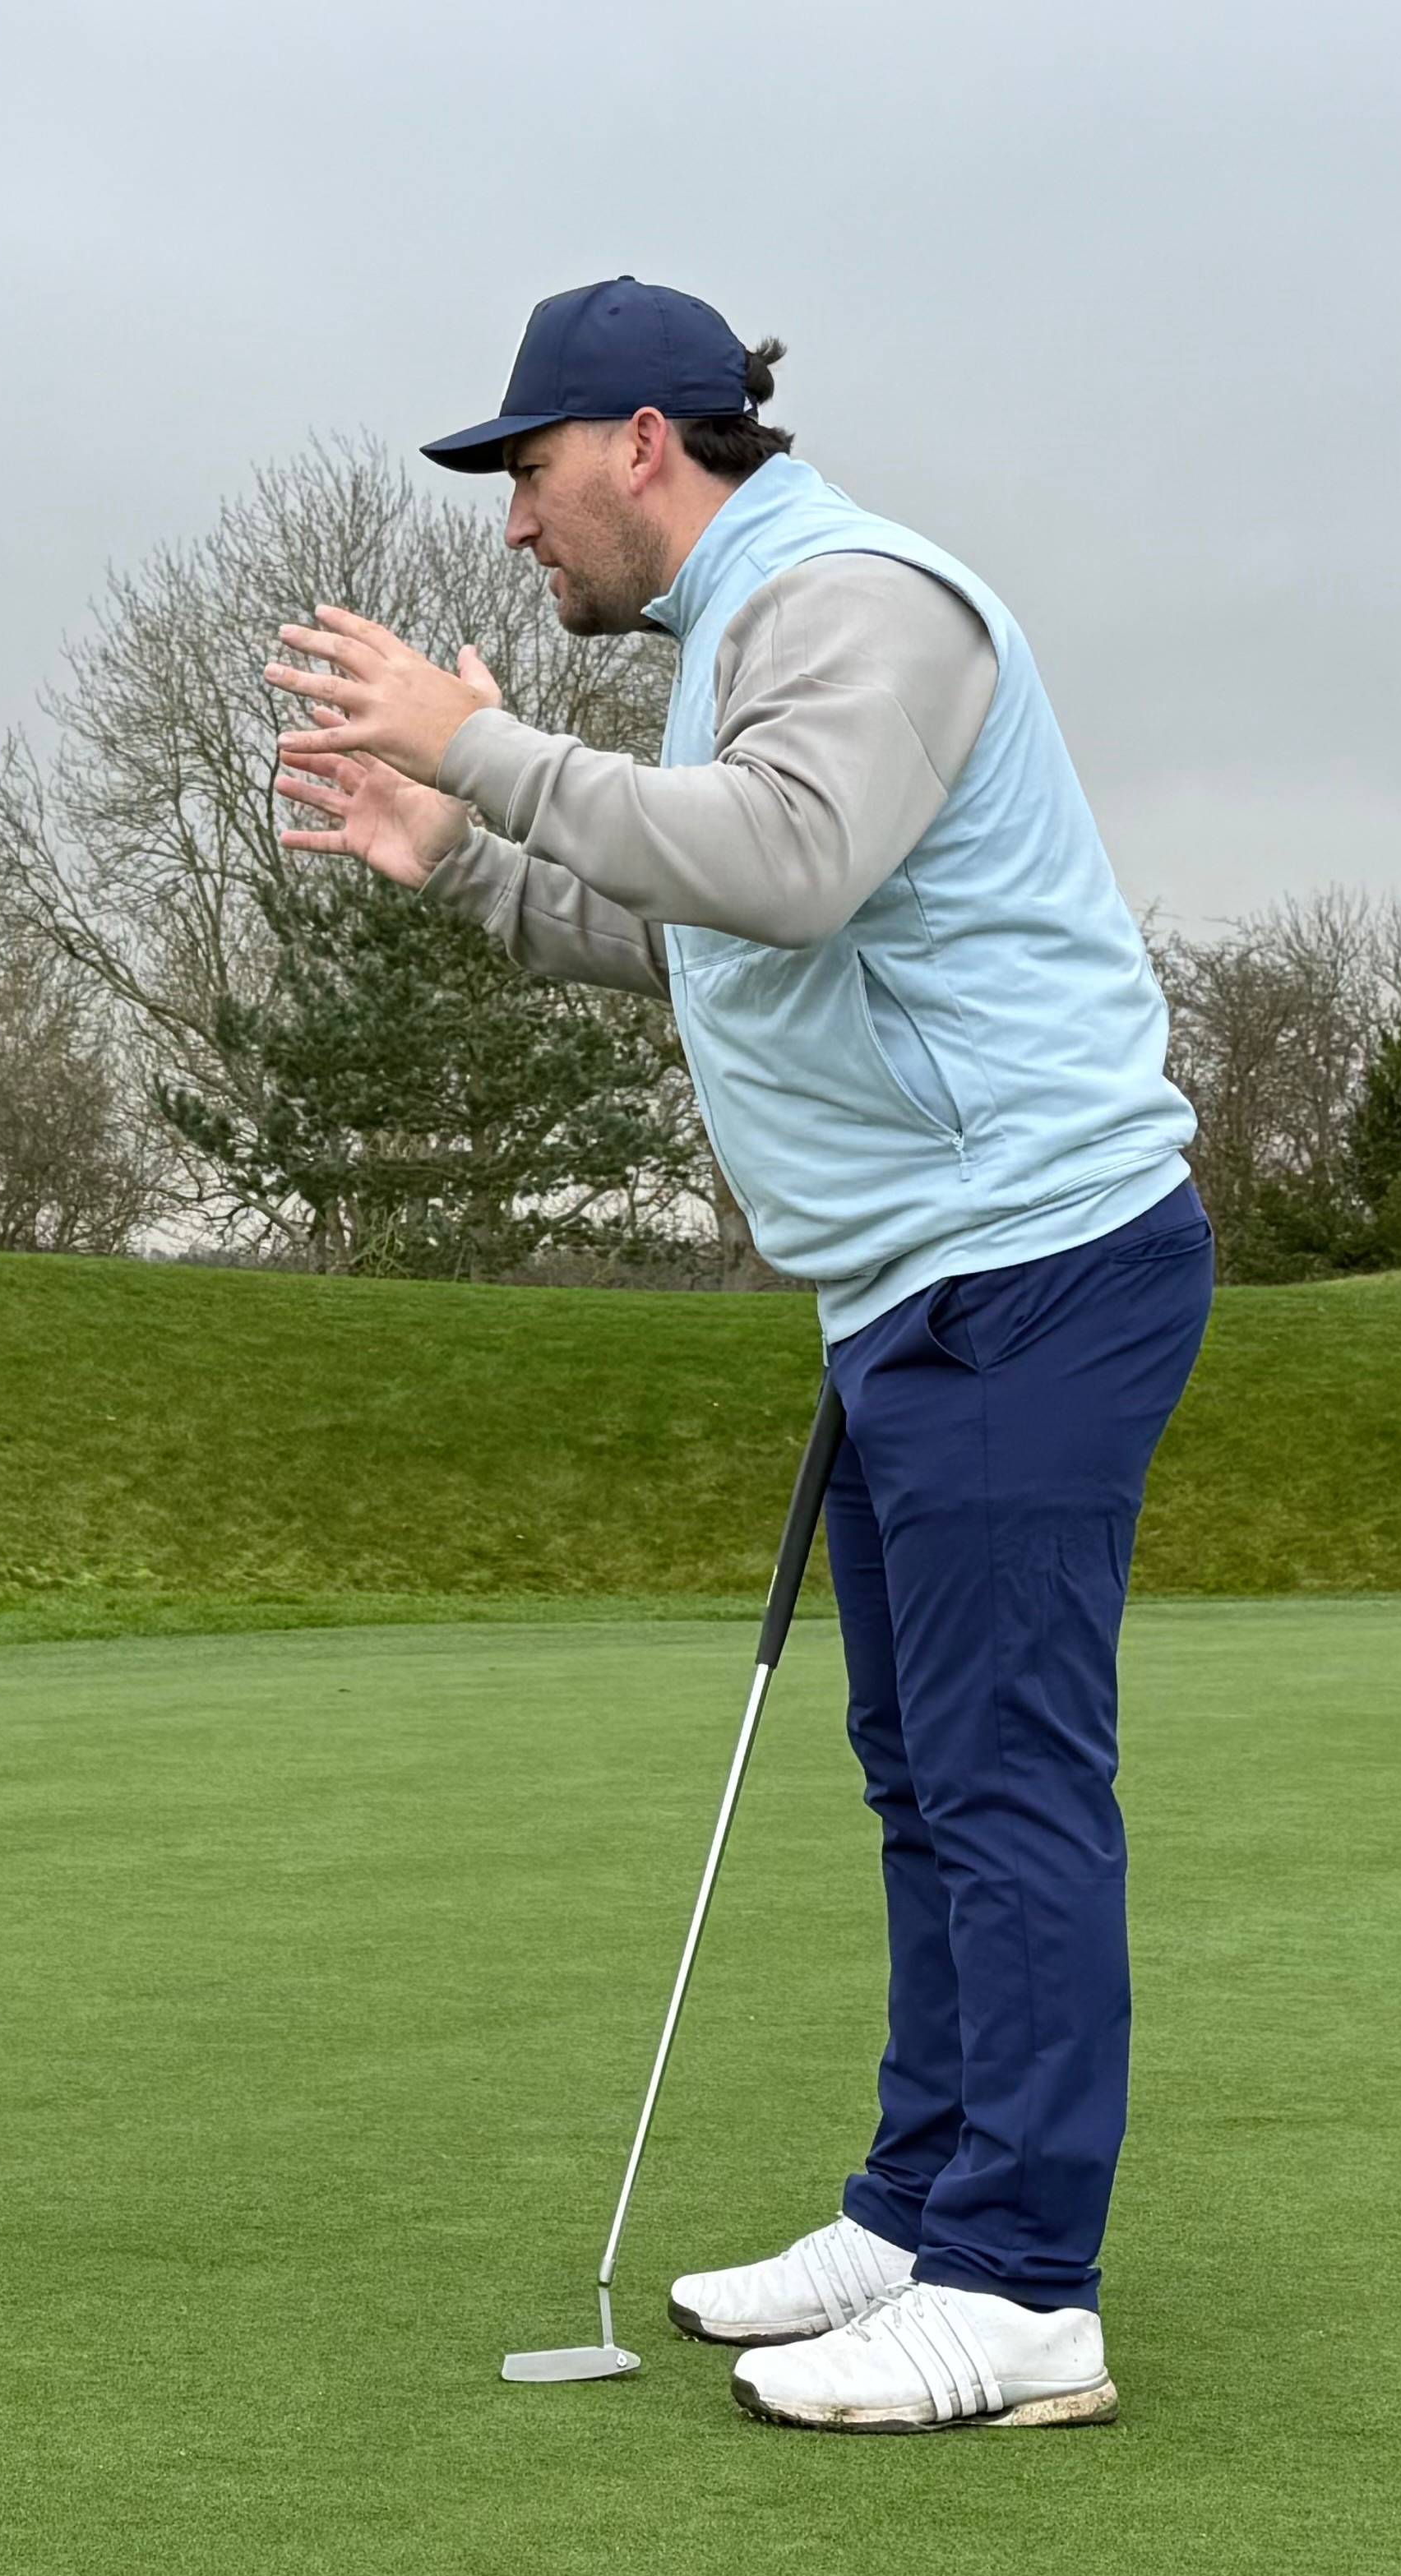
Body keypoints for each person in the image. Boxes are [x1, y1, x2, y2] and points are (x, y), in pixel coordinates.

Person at [272, 282, 1214, 2432]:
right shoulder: (750, 638)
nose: (513, 524)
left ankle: (1026, 2282)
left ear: (635, 440)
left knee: (1005, 1775)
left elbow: (786, 866)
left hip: (1030, 1259)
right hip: (916, 1276)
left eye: (522, 471)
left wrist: (477, 746)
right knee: (921, 1769)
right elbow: (708, 910)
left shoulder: (861, 602)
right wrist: (467, 857)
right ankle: (922, 2203)